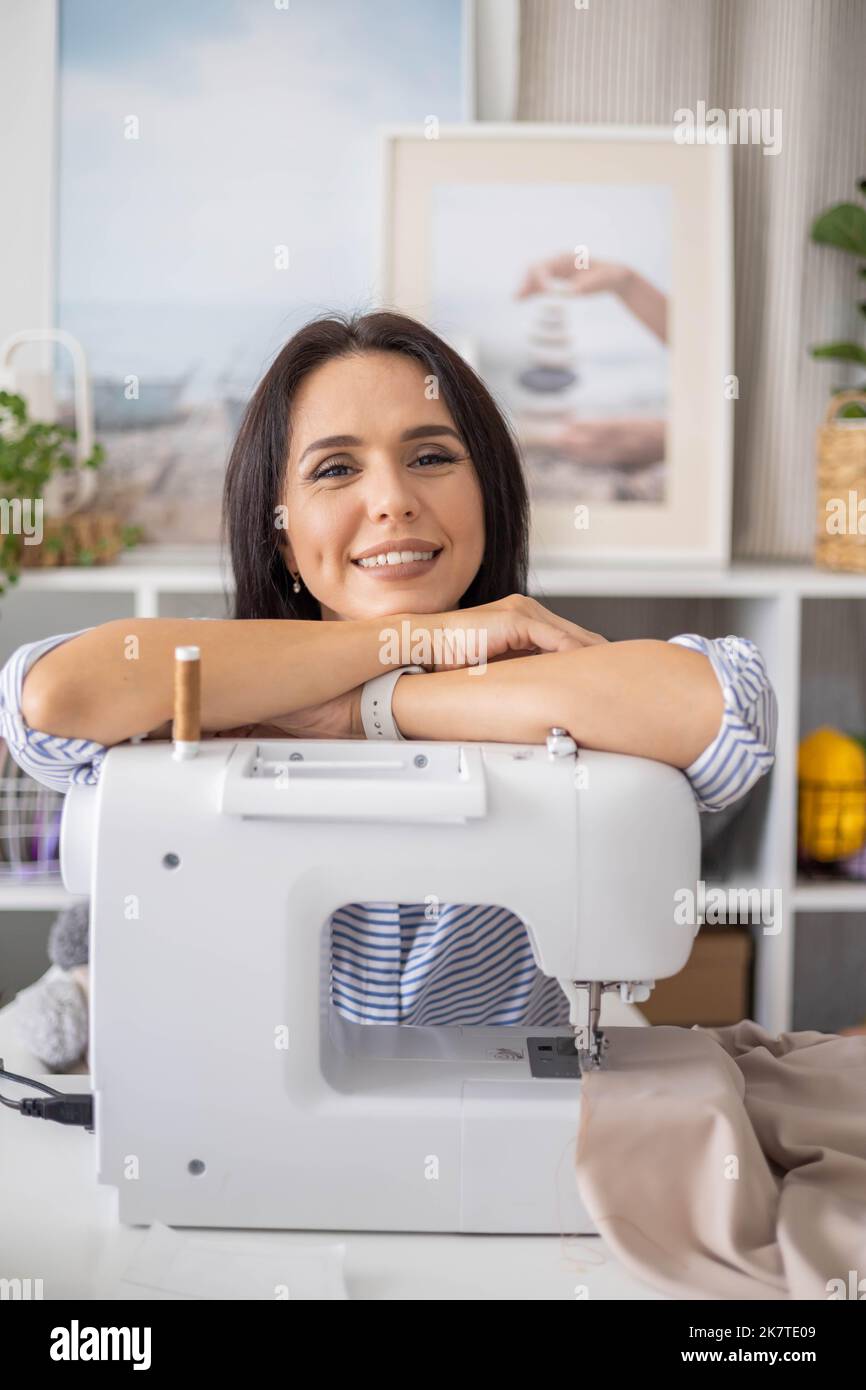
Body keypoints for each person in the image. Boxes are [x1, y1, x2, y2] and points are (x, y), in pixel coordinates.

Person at [0, 310, 777, 1027]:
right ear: (280, 532)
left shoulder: (549, 675)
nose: (393, 500)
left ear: (490, 492)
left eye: (431, 456)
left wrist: (374, 710)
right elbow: (51, 700)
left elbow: (725, 708)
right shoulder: (221, 672)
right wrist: (412, 640)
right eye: (335, 470)